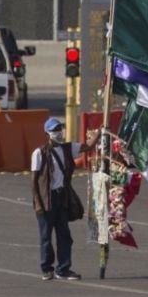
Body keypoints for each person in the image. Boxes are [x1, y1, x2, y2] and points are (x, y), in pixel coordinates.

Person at [32, 117, 98, 281]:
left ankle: (63, 269)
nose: (59, 133)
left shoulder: (69, 148)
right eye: (55, 130)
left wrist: (99, 132)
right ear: (47, 133)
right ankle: (47, 269)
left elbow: (87, 147)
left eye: (60, 129)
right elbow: (34, 181)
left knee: (64, 235)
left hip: (62, 198)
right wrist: (38, 203)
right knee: (46, 236)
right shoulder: (39, 153)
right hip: (46, 199)